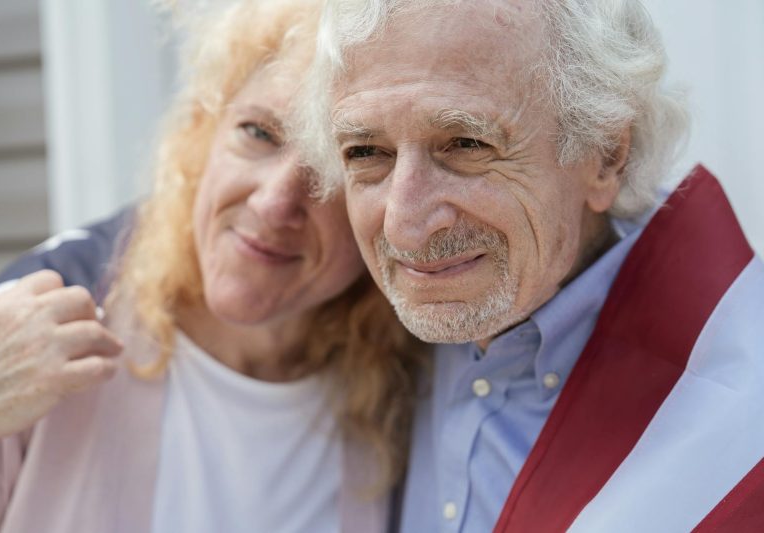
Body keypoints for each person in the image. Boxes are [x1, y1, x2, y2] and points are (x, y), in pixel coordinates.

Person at [297, 0, 764, 531]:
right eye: (365, 153)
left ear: (607, 154)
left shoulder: (746, 426)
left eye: (466, 144)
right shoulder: (352, 335)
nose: (404, 227)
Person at [0, 1, 422, 531]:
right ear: (205, 132)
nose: (274, 203)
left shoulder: (415, 376)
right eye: (259, 133)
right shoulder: (54, 307)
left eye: (334, 168)